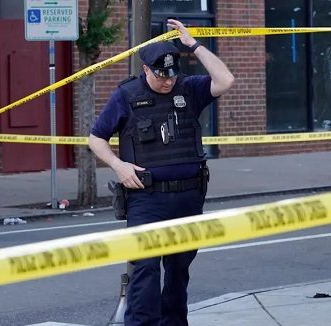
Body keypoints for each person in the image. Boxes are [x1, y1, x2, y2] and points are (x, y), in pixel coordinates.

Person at [89, 19, 234, 326]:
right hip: (146, 198)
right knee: (145, 270)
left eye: (171, 75)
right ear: (146, 70)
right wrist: (118, 165)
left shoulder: (189, 89)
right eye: (160, 76)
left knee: (179, 271)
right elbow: (96, 138)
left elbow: (225, 80)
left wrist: (193, 44)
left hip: (188, 196)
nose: (168, 82)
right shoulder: (126, 96)